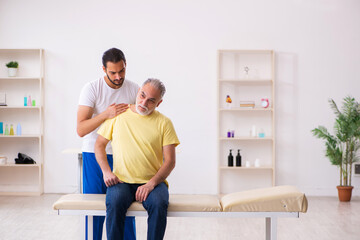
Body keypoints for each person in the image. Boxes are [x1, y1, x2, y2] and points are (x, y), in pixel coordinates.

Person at [95, 79, 180, 240]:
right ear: (138, 90)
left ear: (159, 103)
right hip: (121, 182)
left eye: (151, 101)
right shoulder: (118, 115)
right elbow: (99, 145)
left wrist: (151, 184)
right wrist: (106, 172)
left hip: (153, 183)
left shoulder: (164, 123)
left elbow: (170, 161)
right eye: (142, 95)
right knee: (114, 203)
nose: (143, 102)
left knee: (159, 204)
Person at [77, 48, 138, 240]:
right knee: (94, 209)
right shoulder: (92, 88)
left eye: (121, 71)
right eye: (113, 72)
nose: (118, 76)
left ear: (125, 65)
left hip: (123, 156)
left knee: (126, 210)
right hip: (94, 155)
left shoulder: (134, 89)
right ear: (103, 69)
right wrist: (106, 114)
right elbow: (80, 129)